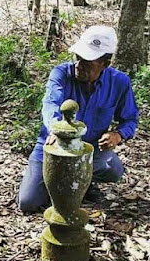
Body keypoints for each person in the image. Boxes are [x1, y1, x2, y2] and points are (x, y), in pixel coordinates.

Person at [18, 25, 139, 213]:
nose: (79, 65)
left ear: (105, 63)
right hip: (52, 145)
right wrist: (56, 129)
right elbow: (50, 103)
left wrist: (118, 135)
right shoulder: (61, 74)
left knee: (113, 170)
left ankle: (83, 181)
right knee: (28, 201)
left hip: (88, 150)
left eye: (87, 61)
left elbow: (130, 119)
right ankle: (61, 183)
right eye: (78, 58)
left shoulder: (119, 82)